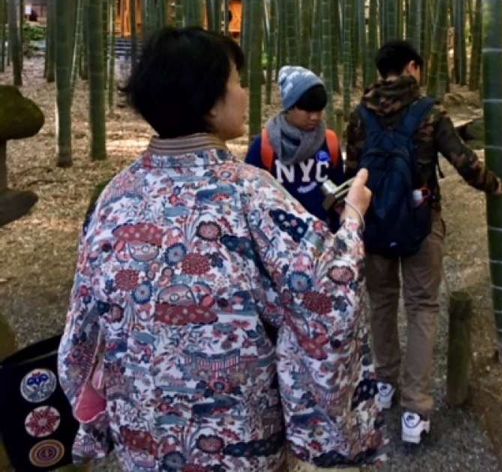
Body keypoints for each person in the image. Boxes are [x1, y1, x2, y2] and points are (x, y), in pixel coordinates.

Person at [58, 27, 385, 471]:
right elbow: (326, 298)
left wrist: (102, 420)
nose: (246, 93)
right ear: (210, 101)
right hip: (237, 442)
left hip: (143, 436)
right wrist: (353, 219)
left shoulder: (115, 196)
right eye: (238, 82)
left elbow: (81, 334)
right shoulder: (250, 193)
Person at [345, 39, 501, 445]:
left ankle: (385, 384)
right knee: (422, 308)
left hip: (374, 223)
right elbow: (463, 161)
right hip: (420, 221)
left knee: (381, 302)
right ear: (413, 67)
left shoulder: (359, 115)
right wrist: (495, 185)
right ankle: (415, 411)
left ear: (382, 72)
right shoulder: (429, 111)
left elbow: (352, 172)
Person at [245, 65, 344, 228]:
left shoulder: (329, 141)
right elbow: (250, 197)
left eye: (319, 110)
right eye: (307, 110)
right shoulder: (265, 145)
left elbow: (339, 194)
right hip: (280, 237)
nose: (315, 117)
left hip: (324, 234)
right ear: (289, 106)